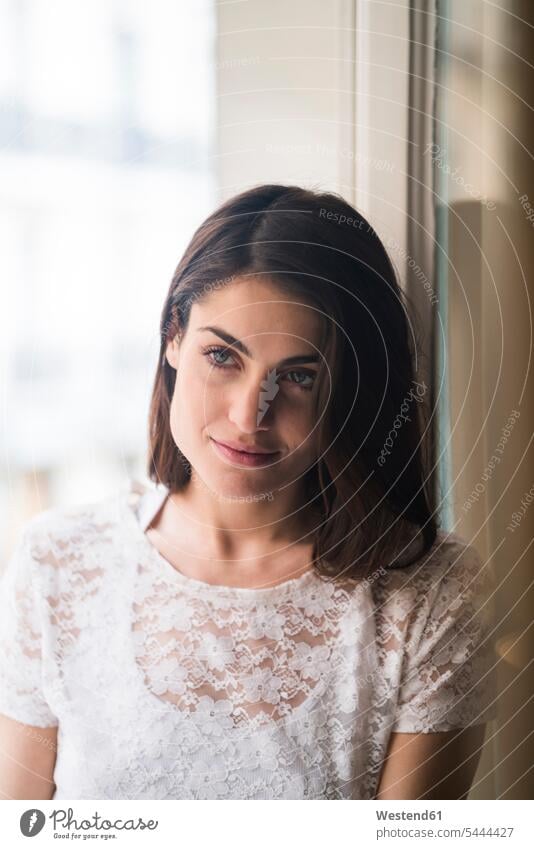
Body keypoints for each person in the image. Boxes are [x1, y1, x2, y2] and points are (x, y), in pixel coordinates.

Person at [0, 184, 495, 800]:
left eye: (296, 375)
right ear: (173, 339)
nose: (248, 415)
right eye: (222, 356)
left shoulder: (426, 597)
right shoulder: (58, 563)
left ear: (347, 390)